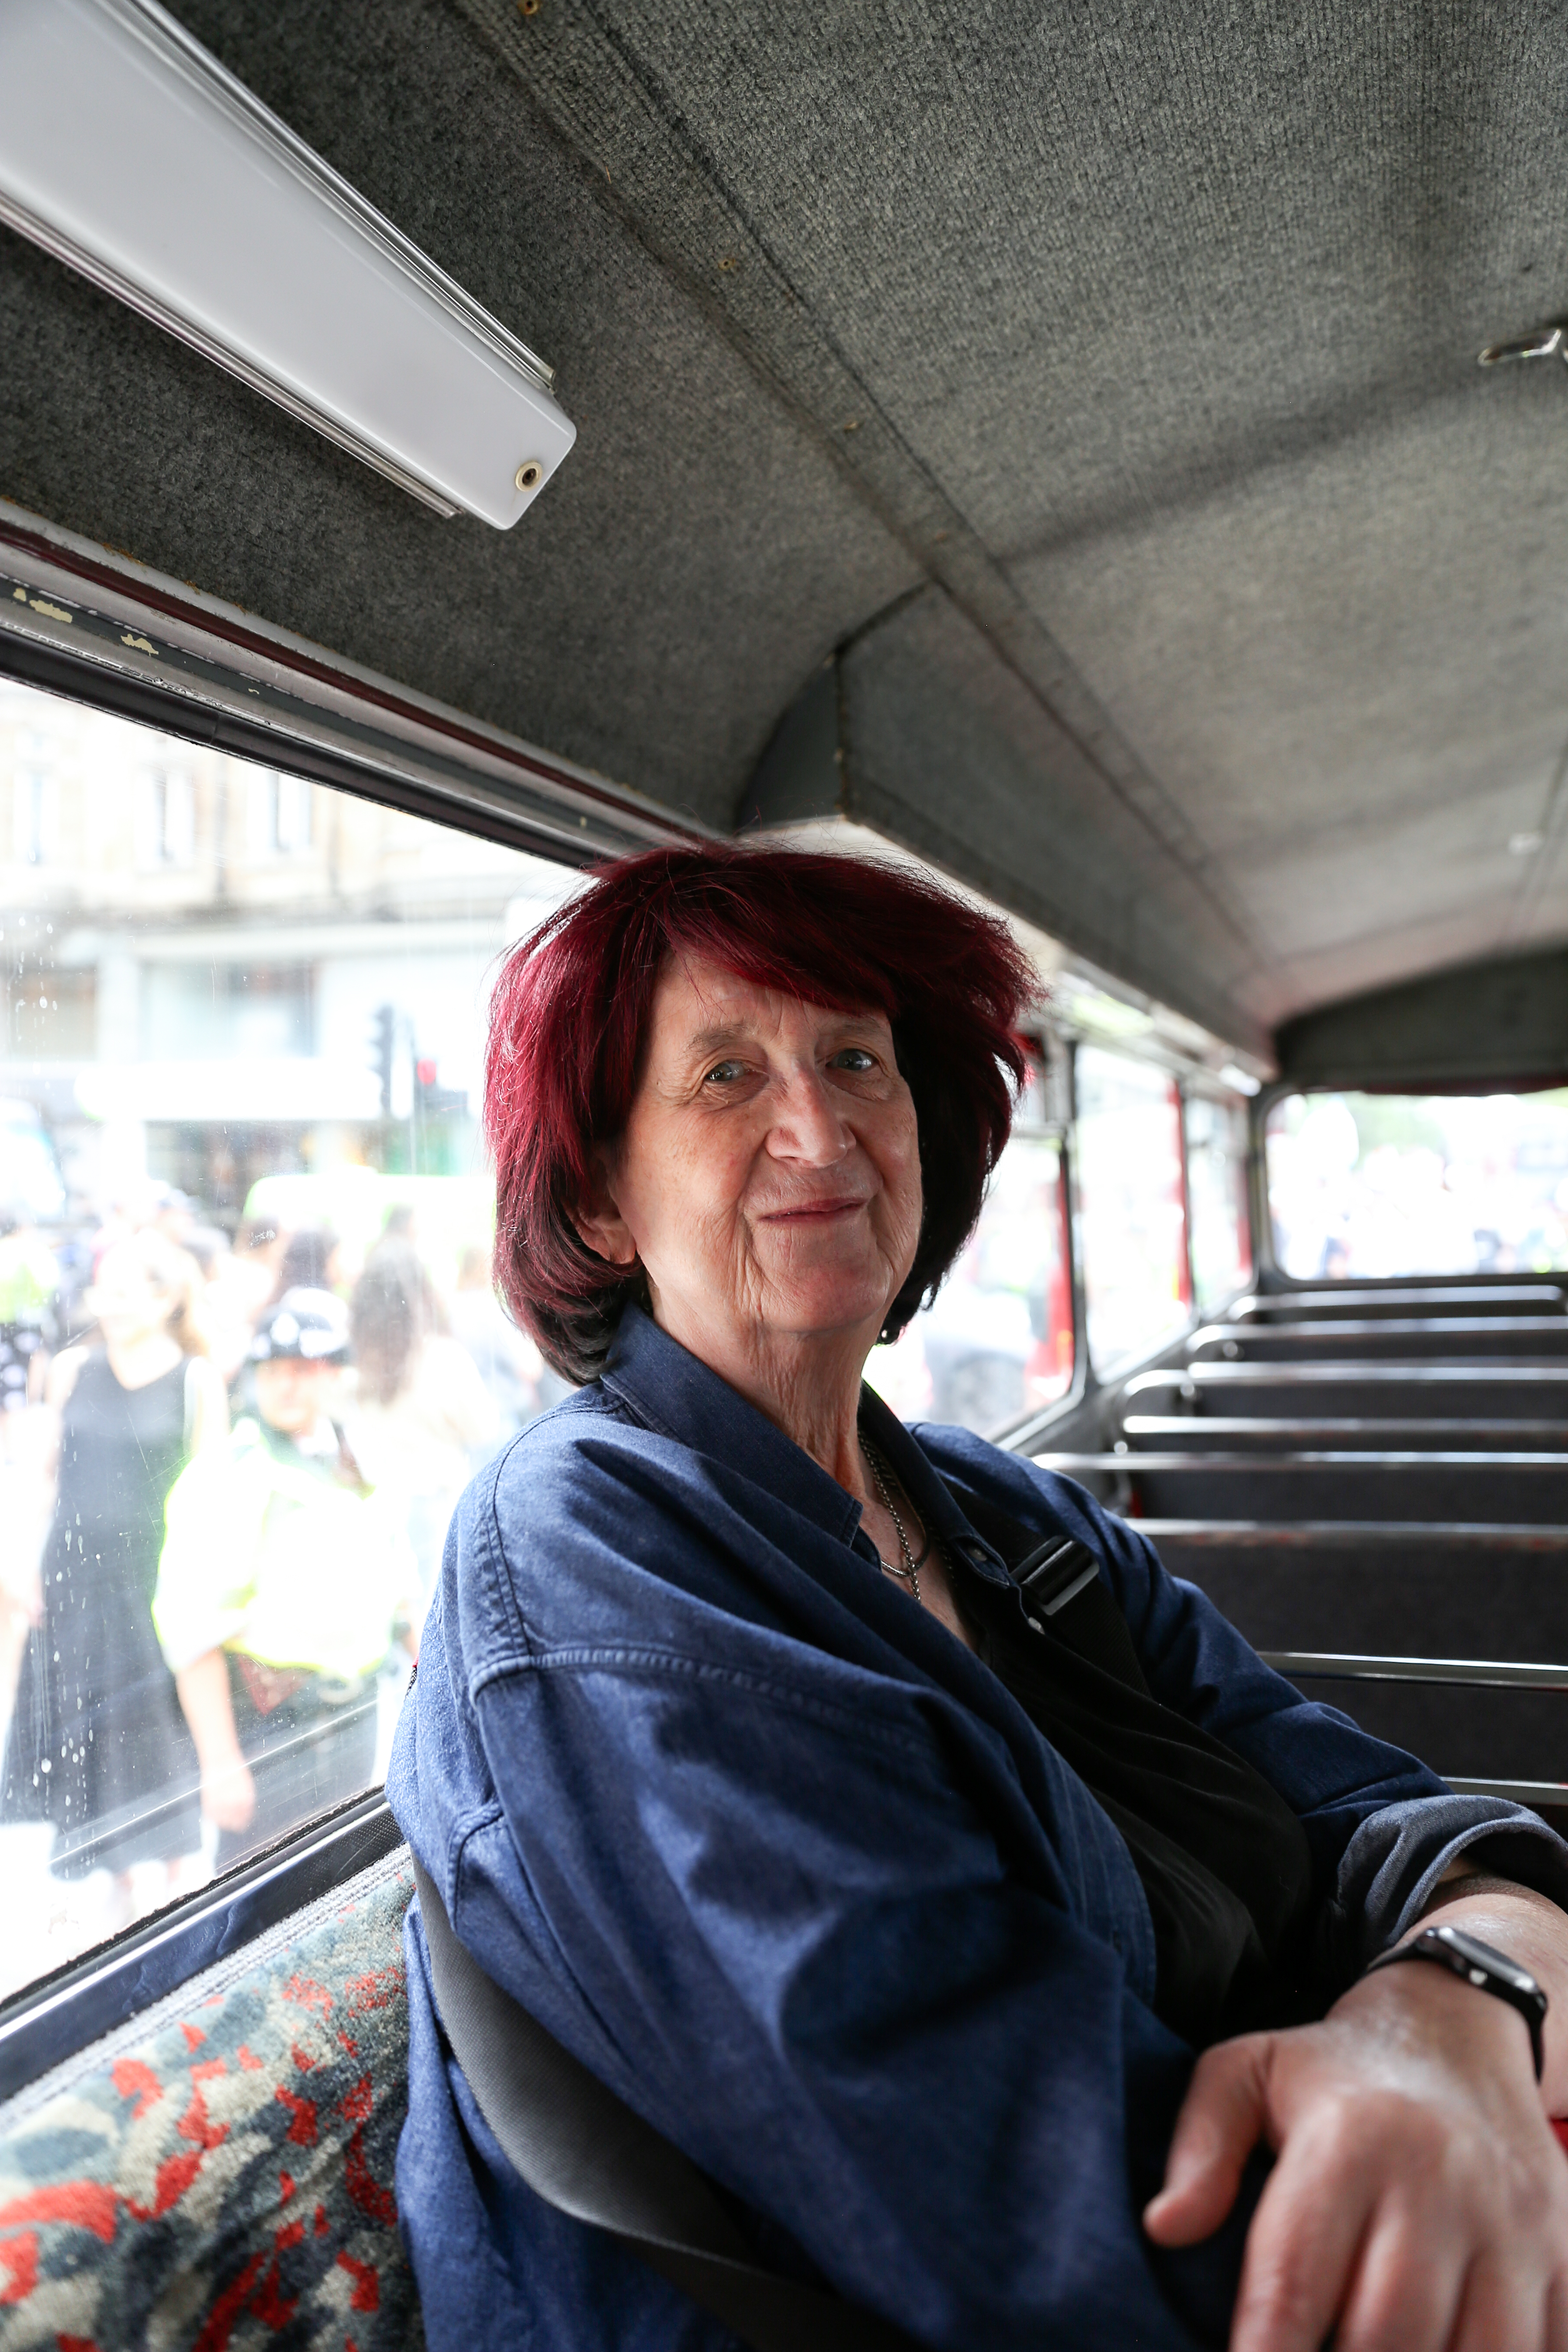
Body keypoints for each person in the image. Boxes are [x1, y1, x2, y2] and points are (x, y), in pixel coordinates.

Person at [388, 845, 1568, 2352]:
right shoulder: (592, 1554)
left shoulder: (996, 1510)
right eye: (728, 1075)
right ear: (604, 1200)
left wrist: (1461, 1984)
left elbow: (1373, 1810)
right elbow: (1025, 2213)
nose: (818, 1127)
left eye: (855, 1059)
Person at [154, 1289, 418, 1871]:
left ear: (336, 1374)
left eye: (302, 1369)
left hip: (353, 1713)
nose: (284, 1385)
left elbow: (400, 1588)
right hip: (270, 1720)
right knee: (261, 1893)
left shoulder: (359, 1459)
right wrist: (221, 1762)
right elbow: (193, 1631)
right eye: (272, 1370)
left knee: (344, 1879)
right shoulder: (232, 1473)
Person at [0, 1231, 225, 1908]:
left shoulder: (196, 1378)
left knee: (156, 1729)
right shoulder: (73, 1368)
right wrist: (22, 1559)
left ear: (166, 1297)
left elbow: (214, 1493)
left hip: (156, 1583)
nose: (114, 1304)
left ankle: (178, 1885)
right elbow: (44, 1475)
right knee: (88, 1724)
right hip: (73, 1577)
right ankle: (122, 1886)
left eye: (129, 1291)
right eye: (107, 1291)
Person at [343, 1242, 500, 1607]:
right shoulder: (444, 1360)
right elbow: (484, 1428)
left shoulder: (357, 1366)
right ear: (421, 1295)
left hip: (376, 1507)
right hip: (437, 1508)